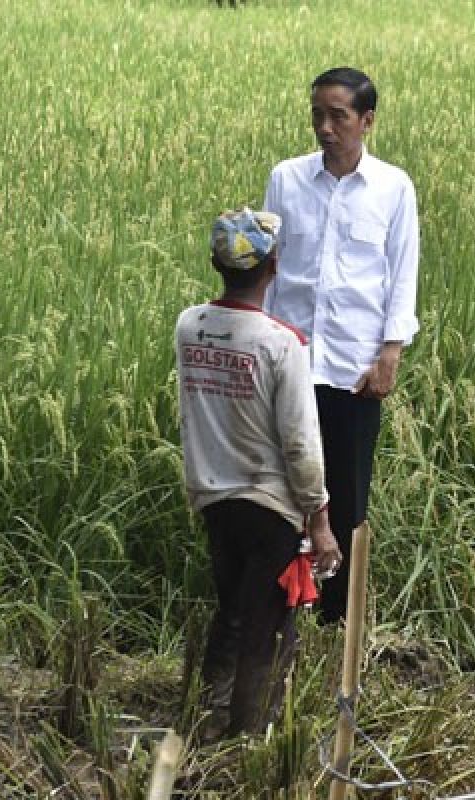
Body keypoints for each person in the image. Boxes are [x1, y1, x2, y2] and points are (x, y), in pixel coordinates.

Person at [176, 207, 342, 740]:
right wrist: (319, 520)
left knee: (231, 608)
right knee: (266, 626)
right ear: (274, 266)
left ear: (214, 263)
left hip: (212, 497)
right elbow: (300, 442)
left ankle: (207, 716)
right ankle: (249, 735)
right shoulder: (279, 344)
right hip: (270, 506)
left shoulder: (190, 326)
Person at [263, 66, 420, 624]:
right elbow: (271, 268)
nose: (325, 127)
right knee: (283, 492)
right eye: (317, 115)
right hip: (290, 364)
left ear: (367, 121)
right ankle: (284, 608)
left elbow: (402, 275)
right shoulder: (286, 179)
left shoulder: (392, 188)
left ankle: (336, 623)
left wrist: (390, 353)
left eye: (338, 116)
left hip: (353, 369)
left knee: (347, 499)